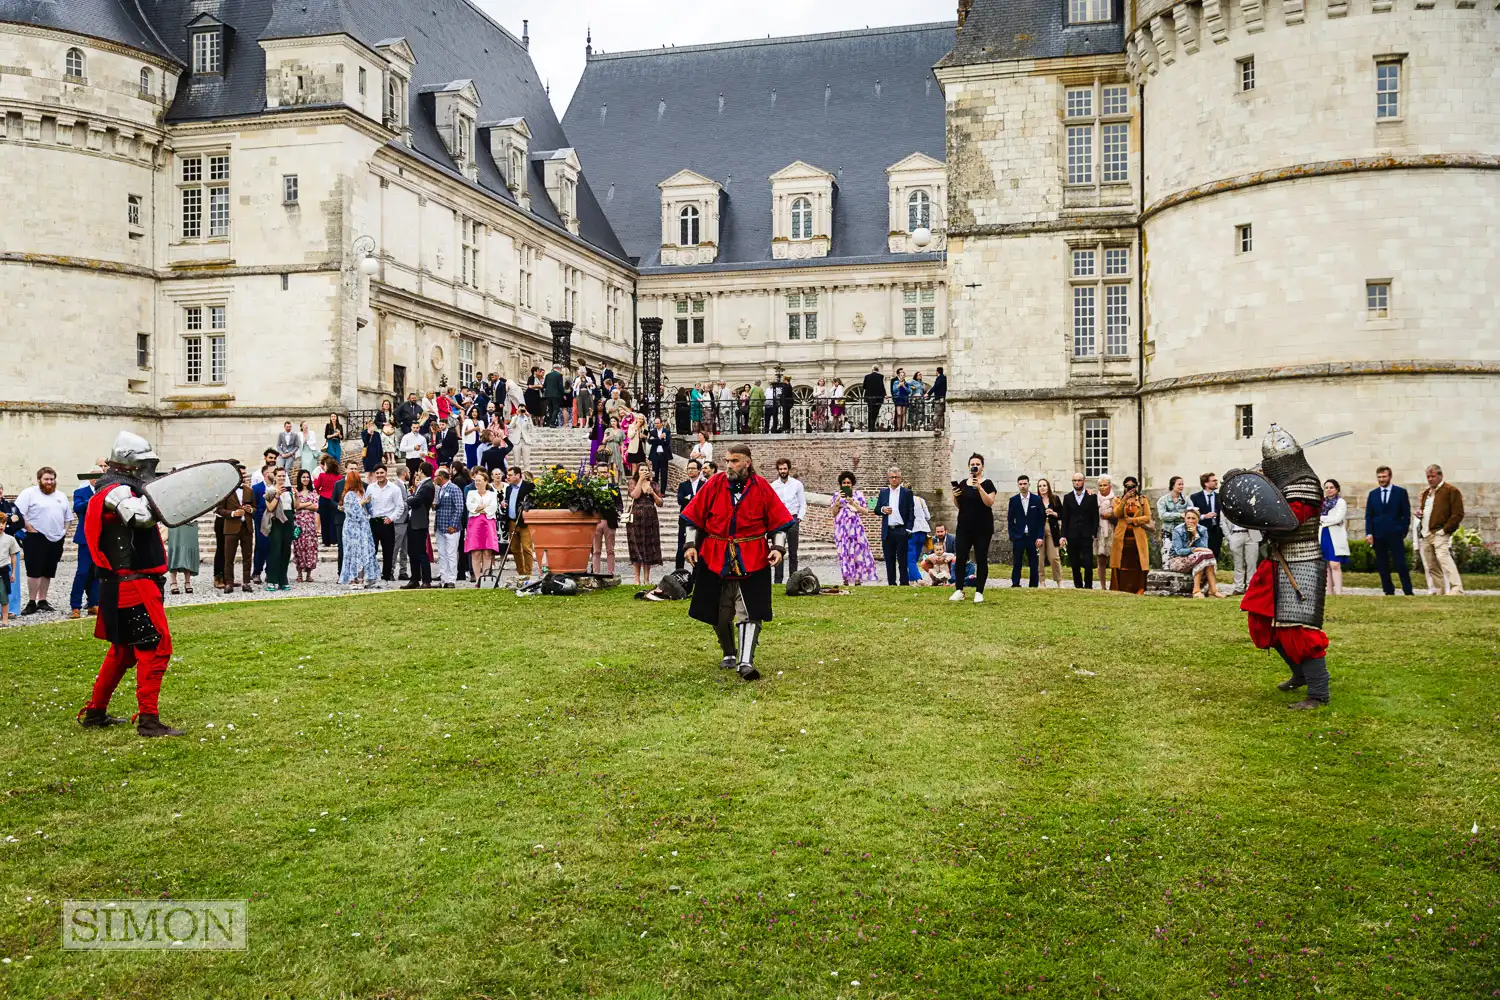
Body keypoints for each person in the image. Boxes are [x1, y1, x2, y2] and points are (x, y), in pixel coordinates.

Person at [78, 431, 209, 737]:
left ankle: (96, 712)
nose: (148, 470)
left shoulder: (120, 488)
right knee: (156, 647)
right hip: (133, 585)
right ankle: (149, 720)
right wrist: (169, 496)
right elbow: (141, 518)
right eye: (145, 465)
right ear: (130, 464)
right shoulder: (115, 491)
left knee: (123, 652)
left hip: (124, 584)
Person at [1230, 424, 1334, 709]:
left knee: (1298, 629)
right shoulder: (1282, 484)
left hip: (1301, 561)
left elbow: (1288, 520)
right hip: (1276, 560)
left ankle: (1318, 692)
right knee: (1262, 621)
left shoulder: (1305, 483)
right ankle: (1299, 673)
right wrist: (1241, 487)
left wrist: (1258, 493)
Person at [681, 444, 793, 681]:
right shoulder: (714, 483)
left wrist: (778, 547)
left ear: (747, 462)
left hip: (752, 556)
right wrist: (690, 545)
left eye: (734, 461)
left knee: (750, 609)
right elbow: (694, 516)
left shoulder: (762, 487)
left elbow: (779, 520)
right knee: (720, 612)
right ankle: (729, 652)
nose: (729, 465)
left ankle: (746, 662)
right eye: (727, 461)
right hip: (715, 555)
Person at [15, 466, 75, 615]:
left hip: (56, 538)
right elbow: (18, 512)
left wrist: (64, 532)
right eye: (46, 479)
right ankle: (31, 602)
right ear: (39, 480)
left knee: (48, 570)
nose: (49, 482)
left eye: (52, 479)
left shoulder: (60, 496)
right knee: (34, 571)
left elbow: (69, 517)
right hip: (36, 537)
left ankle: (42, 600)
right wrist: (28, 527)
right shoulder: (29, 493)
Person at [949, 454, 997, 602]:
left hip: (983, 527)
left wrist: (979, 488)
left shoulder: (988, 484)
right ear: (969, 466)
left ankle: (979, 592)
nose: (974, 466)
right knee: (961, 557)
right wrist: (955, 496)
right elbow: (959, 505)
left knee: (981, 558)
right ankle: (959, 590)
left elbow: (989, 502)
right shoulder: (963, 483)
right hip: (964, 526)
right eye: (972, 464)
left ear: (982, 467)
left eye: (977, 464)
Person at [1363, 465, 1414, 596]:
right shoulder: (1373, 494)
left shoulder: (1400, 492)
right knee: (1382, 564)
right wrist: (1369, 533)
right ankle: (1388, 590)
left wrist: (1403, 530)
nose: (1381, 479)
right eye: (1379, 477)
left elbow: (1406, 514)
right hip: (1378, 535)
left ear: (1390, 477)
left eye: (1384, 476)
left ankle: (1408, 590)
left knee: (1400, 563)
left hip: (1395, 534)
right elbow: (1369, 515)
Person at [1416, 463, 1464, 596]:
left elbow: (1458, 514)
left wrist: (1445, 530)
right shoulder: (1427, 493)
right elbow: (1430, 511)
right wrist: (1420, 514)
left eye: (1432, 476)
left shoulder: (1451, 491)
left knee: (1444, 559)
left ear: (1440, 475)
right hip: (1426, 532)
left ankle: (1457, 589)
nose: (1430, 479)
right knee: (1431, 565)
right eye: (1428, 477)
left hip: (1440, 532)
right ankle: (1439, 591)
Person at [831, 470, 879, 587]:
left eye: (848, 483)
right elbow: (833, 513)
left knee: (858, 552)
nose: (846, 485)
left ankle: (858, 579)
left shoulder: (859, 494)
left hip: (856, 528)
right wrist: (838, 501)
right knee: (844, 552)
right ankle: (846, 578)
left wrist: (853, 503)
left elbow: (865, 511)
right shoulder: (836, 495)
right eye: (844, 483)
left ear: (852, 484)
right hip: (842, 529)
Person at [69, 463, 104, 618]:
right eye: (94, 476)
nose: (97, 479)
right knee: (82, 572)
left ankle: (93, 603)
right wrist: (94, 499)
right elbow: (78, 508)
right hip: (85, 538)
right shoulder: (81, 492)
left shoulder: (106, 492)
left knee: (97, 572)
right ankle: (75, 605)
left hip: (100, 537)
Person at [1109, 477, 1152, 595]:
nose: (1130, 488)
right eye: (1127, 486)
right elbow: (1117, 514)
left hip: (1137, 537)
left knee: (1138, 562)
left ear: (1136, 487)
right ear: (1124, 487)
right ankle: (1119, 587)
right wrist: (1125, 499)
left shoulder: (1142, 500)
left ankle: (1139, 588)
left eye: (1132, 486)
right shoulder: (1117, 500)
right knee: (1120, 562)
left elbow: (1148, 517)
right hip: (1122, 536)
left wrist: (1134, 520)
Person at [216, 468, 255, 593]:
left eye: (244, 473)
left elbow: (255, 508)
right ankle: (229, 583)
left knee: (247, 557)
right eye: (241, 473)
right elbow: (220, 510)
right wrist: (233, 513)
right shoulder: (226, 491)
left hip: (247, 527)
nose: (243, 475)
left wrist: (251, 510)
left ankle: (246, 582)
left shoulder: (249, 490)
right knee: (229, 558)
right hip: (231, 528)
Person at [1168, 507, 1221, 598]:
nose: (1190, 521)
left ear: (1198, 519)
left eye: (1193, 518)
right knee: (1201, 556)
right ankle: (1196, 590)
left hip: (1195, 557)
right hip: (1177, 560)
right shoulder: (1178, 530)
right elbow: (1179, 551)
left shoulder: (1203, 529)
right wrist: (1194, 550)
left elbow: (1204, 548)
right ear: (1184, 518)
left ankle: (1213, 590)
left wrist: (1195, 534)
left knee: (1207, 555)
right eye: (1188, 518)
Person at [338, 469, 378, 588]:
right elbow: (351, 511)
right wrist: (362, 502)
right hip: (352, 528)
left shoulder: (362, 492)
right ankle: (352, 579)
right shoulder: (348, 495)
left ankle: (361, 578)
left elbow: (368, 510)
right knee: (352, 552)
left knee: (363, 551)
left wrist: (367, 504)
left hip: (363, 526)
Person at [877, 466, 915, 586]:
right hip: (888, 530)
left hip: (901, 530)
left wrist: (908, 529)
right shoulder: (883, 493)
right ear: (888, 478)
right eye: (892, 477)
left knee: (902, 560)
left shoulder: (906, 493)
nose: (894, 479)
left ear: (900, 478)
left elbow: (911, 511)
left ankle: (904, 583)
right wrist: (883, 509)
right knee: (889, 559)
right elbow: (877, 509)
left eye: (896, 477)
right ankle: (891, 583)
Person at [769, 459, 806, 583]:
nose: (783, 471)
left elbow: (802, 503)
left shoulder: (797, 484)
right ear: (778, 470)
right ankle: (778, 581)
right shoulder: (773, 485)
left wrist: (799, 518)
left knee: (793, 552)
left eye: (785, 469)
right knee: (778, 549)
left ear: (788, 469)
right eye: (780, 469)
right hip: (779, 521)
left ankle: (793, 579)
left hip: (793, 518)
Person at [627, 465, 664, 585]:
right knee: (636, 546)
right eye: (642, 470)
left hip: (650, 517)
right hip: (635, 517)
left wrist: (653, 493)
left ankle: (646, 579)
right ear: (637, 472)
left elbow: (660, 503)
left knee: (648, 546)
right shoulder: (633, 482)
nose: (644, 472)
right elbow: (635, 495)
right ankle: (636, 579)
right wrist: (640, 481)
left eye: (646, 470)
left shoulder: (653, 484)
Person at [1061, 472, 1099, 590]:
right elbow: (1065, 518)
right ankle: (1078, 585)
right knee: (1075, 562)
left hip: (1087, 534)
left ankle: (1088, 586)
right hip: (1072, 534)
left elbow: (1095, 516)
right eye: (1074, 480)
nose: (1077, 482)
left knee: (1088, 562)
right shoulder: (1067, 498)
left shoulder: (1091, 496)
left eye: (1079, 480)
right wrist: (1063, 535)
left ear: (1084, 481)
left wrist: (1094, 533)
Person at [365, 466, 403, 581]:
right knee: (371, 550)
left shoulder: (394, 489)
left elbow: (400, 507)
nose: (380, 475)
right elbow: (367, 504)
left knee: (388, 551)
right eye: (377, 473)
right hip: (373, 521)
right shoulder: (370, 488)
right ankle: (371, 574)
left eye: (382, 472)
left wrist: (391, 518)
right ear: (374, 474)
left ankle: (386, 575)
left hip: (387, 522)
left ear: (386, 473)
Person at [464, 469, 500, 585]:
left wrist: (479, 508)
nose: (477, 483)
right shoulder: (471, 493)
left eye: (480, 481)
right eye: (476, 481)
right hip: (475, 524)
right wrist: (480, 508)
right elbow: (470, 507)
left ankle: (485, 578)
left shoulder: (492, 494)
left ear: (486, 481)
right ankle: (478, 579)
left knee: (487, 552)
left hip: (488, 524)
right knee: (476, 552)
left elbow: (492, 508)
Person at [1007, 475, 1044, 589]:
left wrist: (1040, 536)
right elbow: (1010, 520)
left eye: (1025, 484)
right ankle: (1015, 583)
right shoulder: (1014, 500)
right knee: (1017, 562)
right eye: (1020, 484)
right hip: (1019, 536)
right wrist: (1012, 535)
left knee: (1033, 562)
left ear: (1029, 484)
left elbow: (1041, 520)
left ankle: (1033, 584)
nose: (1023, 486)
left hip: (1032, 536)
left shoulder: (1036, 499)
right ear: (1018, 485)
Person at [262, 468, 295, 592]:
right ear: (275, 477)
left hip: (288, 520)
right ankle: (271, 579)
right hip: (276, 521)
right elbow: (269, 507)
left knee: (286, 551)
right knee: (275, 551)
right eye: (279, 476)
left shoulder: (289, 491)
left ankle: (283, 579)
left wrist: (296, 497)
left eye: (283, 476)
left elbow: (294, 507)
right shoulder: (270, 490)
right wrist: (277, 495)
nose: (282, 478)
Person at [500, 467, 535, 584]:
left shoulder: (528, 486)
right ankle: (521, 573)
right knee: (515, 549)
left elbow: (533, 502)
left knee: (526, 548)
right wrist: (504, 504)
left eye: (510, 475)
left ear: (518, 475)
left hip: (524, 523)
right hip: (511, 522)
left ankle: (529, 573)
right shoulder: (509, 488)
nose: (507, 477)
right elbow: (508, 501)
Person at [432, 468, 464, 588]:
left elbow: (459, 508)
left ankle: (451, 579)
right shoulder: (439, 489)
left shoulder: (454, 488)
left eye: (435, 476)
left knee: (451, 553)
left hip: (451, 527)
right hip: (440, 526)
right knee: (442, 554)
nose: (434, 479)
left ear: (441, 477)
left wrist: (453, 524)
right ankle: (443, 578)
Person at [403, 465, 433, 589]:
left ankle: (426, 580)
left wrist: (409, 499)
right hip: (413, 520)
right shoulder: (422, 484)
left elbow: (416, 500)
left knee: (421, 552)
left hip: (419, 522)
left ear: (421, 471)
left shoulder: (427, 486)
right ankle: (414, 578)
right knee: (412, 551)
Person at [1319, 479, 1350, 596]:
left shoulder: (1341, 502)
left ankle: (1339, 591)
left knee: (1335, 564)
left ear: (1337, 489)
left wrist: (1323, 520)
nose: (1329, 490)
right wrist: (1326, 520)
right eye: (1326, 487)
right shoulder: (1321, 503)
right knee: (1326, 564)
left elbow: (1338, 519)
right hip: (1323, 534)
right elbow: (1318, 517)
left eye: (1331, 487)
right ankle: (1330, 591)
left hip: (1335, 535)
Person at [590, 463, 621, 577]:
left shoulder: (614, 487)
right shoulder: (592, 488)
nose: (602, 474)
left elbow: (619, 504)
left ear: (608, 473)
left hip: (609, 521)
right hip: (596, 521)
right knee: (596, 550)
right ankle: (596, 573)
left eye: (604, 472)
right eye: (600, 472)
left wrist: (617, 512)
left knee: (610, 550)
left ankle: (610, 573)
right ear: (596, 474)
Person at [675, 460, 705, 571]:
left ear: (698, 470)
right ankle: (679, 572)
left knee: (698, 546)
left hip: (699, 520)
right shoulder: (683, 485)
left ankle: (696, 573)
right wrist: (694, 498)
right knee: (681, 546)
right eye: (688, 468)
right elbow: (680, 500)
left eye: (693, 468)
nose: (690, 470)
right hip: (685, 519)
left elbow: (703, 501)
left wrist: (690, 498)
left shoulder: (704, 485)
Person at [1223, 508, 1261, 597]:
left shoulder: (1252, 502)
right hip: (1235, 534)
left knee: (1251, 563)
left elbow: (1259, 517)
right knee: (1238, 563)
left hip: (1252, 534)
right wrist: (1229, 537)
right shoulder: (1228, 502)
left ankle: (1250, 587)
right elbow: (1223, 522)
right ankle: (1238, 588)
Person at [292, 469, 320, 583]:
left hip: (310, 525)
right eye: (303, 477)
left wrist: (303, 505)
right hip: (299, 524)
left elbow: (316, 507)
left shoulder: (313, 492)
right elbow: (295, 506)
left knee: (310, 548)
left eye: (307, 477)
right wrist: (308, 503)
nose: (306, 479)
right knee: (299, 548)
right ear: (299, 478)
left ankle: (309, 574)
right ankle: (299, 574)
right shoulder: (296, 492)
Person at [1035, 477, 1064, 588]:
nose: (1042, 488)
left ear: (1048, 487)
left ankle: (1059, 580)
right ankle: (1042, 581)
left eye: (1044, 485)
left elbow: (1062, 515)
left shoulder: (1055, 499)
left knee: (1054, 556)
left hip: (1052, 528)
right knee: (1040, 557)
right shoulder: (1035, 500)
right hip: (1039, 529)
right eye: (1040, 486)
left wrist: (1053, 513)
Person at [1157, 476, 1191, 563]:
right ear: (1172, 485)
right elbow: (1162, 515)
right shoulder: (1163, 500)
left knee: (1182, 556)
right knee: (1167, 555)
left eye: (1182, 484)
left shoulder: (1186, 499)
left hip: (1183, 532)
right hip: (1168, 532)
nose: (1181, 486)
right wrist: (1179, 515)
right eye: (1179, 484)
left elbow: (1192, 512)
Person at [1190, 472, 1225, 557]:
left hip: (1216, 531)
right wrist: (1204, 516)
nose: (1216, 482)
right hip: (1201, 531)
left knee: (1215, 555)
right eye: (1213, 481)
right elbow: (1191, 514)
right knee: (1202, 555)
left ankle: (1214, 570)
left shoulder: (1220, 496)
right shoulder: (1195, 497)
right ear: (1206, 483)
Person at [166, 515, 199, 595]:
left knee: (188, 549)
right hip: (174, 520)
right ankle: (173, 582)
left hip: (190, 521)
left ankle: (187, 582)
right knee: (175, 548)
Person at [313, 456, 342, 548]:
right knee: (334, 519)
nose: (324, 467)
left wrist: (319, 492)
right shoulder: (339, 476)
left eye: (325, 465)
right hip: (334, 499)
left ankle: (326, 540)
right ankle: (334, 539)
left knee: (324, 520)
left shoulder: (322, 476)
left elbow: (316, 485)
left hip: (324, 498)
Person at [1093, 474, 1116, 591]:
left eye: (1105, 485)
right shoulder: (1094, 498)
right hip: (1099, 530)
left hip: (1112, 530)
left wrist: (1109, 515)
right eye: (1100, 485)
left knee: (1114, 559)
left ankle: (1114, 584)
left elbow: (1118, 515)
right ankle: (1102, 586)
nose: (1102, 487)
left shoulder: (1115, 499)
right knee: (1101, 559)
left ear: (1110, 486)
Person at [908, 492, 931, 585]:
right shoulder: (921, 500)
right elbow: (928, 516)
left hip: (912, 531)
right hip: (923, 530)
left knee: (910, 558)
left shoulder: (904, 500)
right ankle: (911, 580)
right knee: (916, 556)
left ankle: (918, 578)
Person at [648, 416, 672, 492]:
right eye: (655, 423)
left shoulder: (666, 431)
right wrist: (659, 438)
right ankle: (655, 490)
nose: (656, 425)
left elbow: (667, 442)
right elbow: (650, 442)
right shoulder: (652, 432)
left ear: (661, 423)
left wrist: (656, 440)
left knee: (664, 474)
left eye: (658, 423)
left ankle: (662, 491)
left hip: (664, 455)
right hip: (655, 455)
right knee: (655, 473)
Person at [862, 365, 886, 432]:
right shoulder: (880, 376)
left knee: (870, 412)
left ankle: (870, 428)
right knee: (875, 413)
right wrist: (885, 394)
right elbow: (882, 387)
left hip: (869, 398)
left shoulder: (867, 376)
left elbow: (864, 386)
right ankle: (873, 426)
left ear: (872, 370)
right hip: (878, 398)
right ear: (878, 370)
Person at [930, 367, 947, 432]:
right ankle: (941, 427)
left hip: (939, 398)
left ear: (937, 372)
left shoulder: (940, 378)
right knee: (941, 413)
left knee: (937, 412)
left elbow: (935, 386)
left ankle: (933, 426)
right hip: (942, 397)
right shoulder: (944, 378)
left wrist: (928, 393)